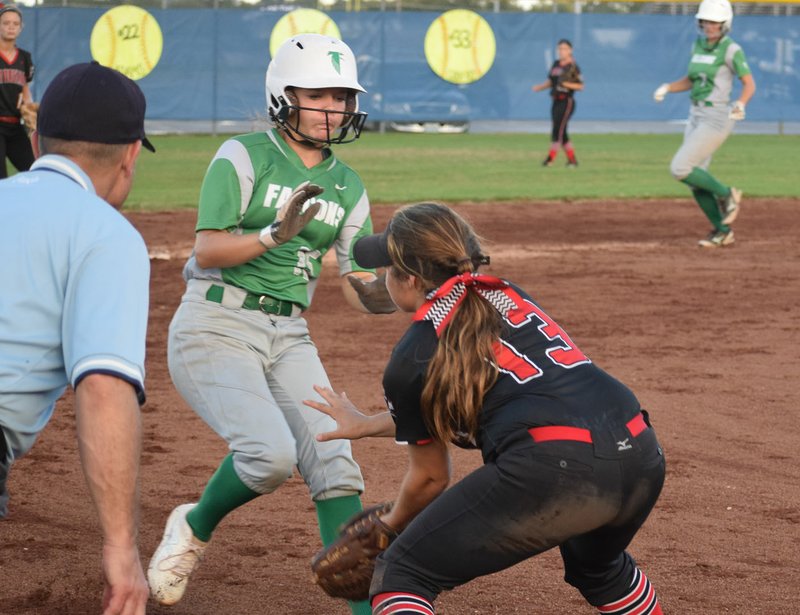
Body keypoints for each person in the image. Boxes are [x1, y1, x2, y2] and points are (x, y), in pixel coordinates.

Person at [305, 202, 667, 615]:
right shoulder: (507, 294)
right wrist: (369, 424)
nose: (385, 277)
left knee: (403, 573)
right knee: (600, 570)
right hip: (639, 449)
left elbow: (430, 480)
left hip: (554, 466)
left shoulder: (414, 354)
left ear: (408, 279)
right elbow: (484, 398)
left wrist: (389, 527)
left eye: (388, 268)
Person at [147, 34, 393, 615]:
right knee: (270, 455)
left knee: (336, 460)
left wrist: (414, 292)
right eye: (319, 95)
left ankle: (365, 611)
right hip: (215, 322)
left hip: (289, 334)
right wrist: (273, 236)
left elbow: (357, 283)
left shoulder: (349, 185)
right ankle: (193, 525)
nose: (335, 108)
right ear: (283, 96)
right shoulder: (243, 155)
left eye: (342, 96)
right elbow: (206, 250)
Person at [0, 61, 155, 614]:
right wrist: (121, 546)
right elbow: (102, 389)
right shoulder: (105, 233)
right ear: (131, 154)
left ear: (38, 140)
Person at [653, 0, 755, 248]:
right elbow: (691, 80)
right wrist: (668, 87)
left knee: (680, 168)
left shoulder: (731, 50)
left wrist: (741, 103)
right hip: (696, 115)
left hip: (718, 116)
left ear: (725, 24)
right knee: (694, 179)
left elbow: (749, 84)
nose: (709, 26)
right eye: (706, 21)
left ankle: (726, 193)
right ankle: (723, 231)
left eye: (714, 22)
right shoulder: (698, 45)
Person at [532, 38, 583, 168]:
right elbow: (551, 82)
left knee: (557, 130)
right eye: (560, 48)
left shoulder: (573, 67)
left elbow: (580, 86)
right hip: (555, 100)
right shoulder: (556, 64)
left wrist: (567, 84)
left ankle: (550, 159)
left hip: (567, 101)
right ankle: (572, 160)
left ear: (570, 50)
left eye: (564, 48)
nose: (562, 51)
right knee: (562, 132)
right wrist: (540, 87)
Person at [0, 3, 35, 178]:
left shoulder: (24, 58)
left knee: (34, 170)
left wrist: (29, 108)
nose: (11, 27)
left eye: (15, 24)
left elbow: (25, 88)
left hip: (14, 125)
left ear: (20, 28)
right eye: (6, 23)